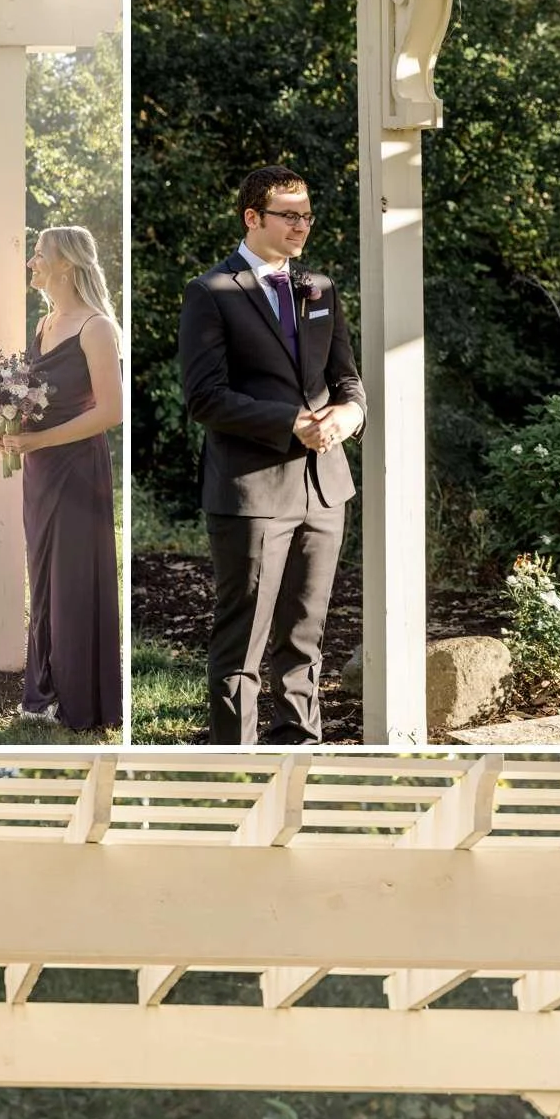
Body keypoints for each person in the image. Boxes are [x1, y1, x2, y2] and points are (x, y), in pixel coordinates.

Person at [180, 166, 364, 748]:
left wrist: (349, 416)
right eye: (289, 215)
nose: (301, 226)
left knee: (305, 637)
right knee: (243, 643)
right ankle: (236, 766)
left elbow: (347, 380)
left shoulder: (320, 288)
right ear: (252, 217)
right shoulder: (211, 292)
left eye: (307, 215)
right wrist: (291, 423)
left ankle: (301, 751)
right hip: (252, 491)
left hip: (325, 488)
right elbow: (204, 397)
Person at [0, 223, 123, 736]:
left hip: (76, 470)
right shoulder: (45, 323)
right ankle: (44, 690)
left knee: (72, 578)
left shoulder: (96, 328)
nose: (31, 262)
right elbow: (33, 399)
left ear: (65, 263)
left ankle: (80, 698)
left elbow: (110, 411)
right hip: (40, 469)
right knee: (43, 576)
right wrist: (7, 428)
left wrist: (39, 440)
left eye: (39, 254)